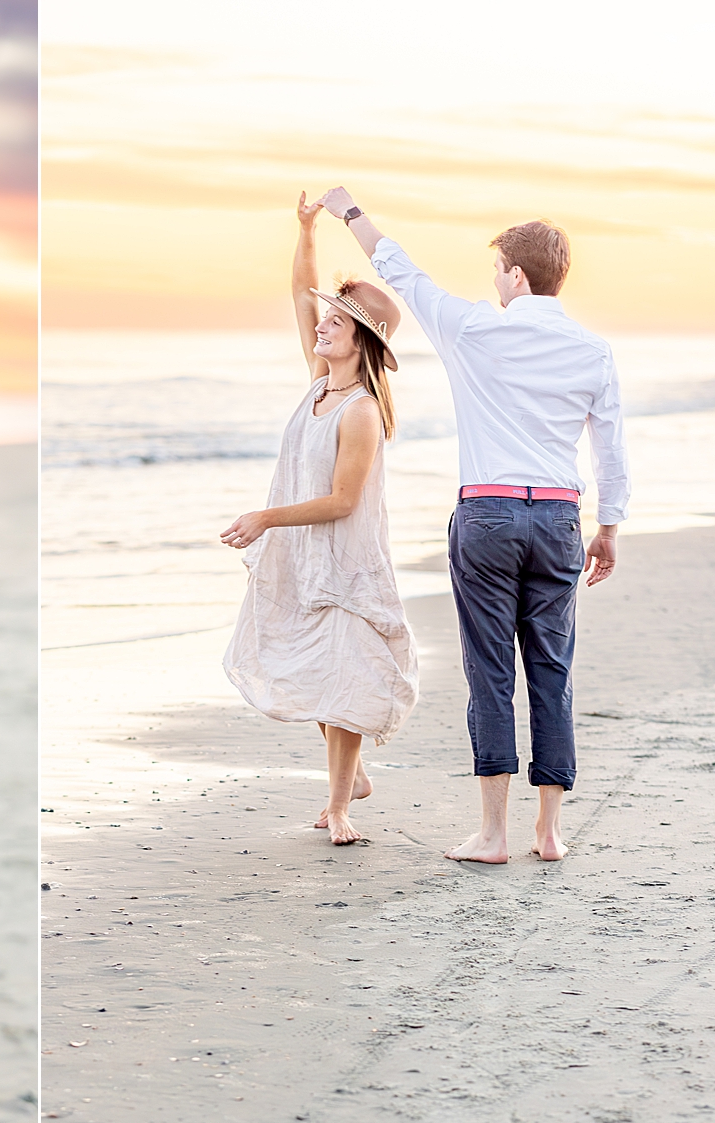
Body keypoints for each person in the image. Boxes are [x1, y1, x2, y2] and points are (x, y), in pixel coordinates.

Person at [316, 186, 629, 864]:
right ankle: (549, 831)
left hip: (487, 515)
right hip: (556, 517)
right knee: (552, 670)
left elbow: (399, 270)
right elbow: (610, 446)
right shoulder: (592, 349)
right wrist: (609, 525)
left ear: (517, 274)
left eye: (497, 270)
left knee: (490, 672)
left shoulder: (472, 327)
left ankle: (494, 833)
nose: (494, 281)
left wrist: (349, 213)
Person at [221, 191, 419, 846]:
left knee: (341, 676)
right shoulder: (318, 381)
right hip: (305, 558)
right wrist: (305, 230)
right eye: (325, 319)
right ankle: (351, 772)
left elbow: (342, 499)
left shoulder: (360, 409)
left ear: (359, 336)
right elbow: (302, 291)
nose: (321, 325)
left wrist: (266, 516)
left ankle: (339, 803)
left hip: (345, 558)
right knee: (304, 665)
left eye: (336, 322)